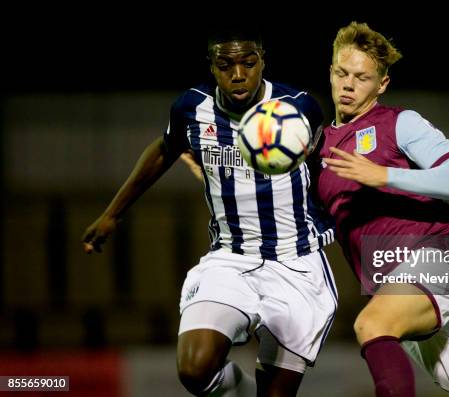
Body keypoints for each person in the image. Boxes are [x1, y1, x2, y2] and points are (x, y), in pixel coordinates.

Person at [82, 27, 337, 397]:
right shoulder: (191, 108)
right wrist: (112, 214)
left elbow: (327, 173)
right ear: (212, 67)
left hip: (296, 265)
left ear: (262, 61)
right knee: (194, 369)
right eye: (226, 64)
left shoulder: (299, 107)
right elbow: (165, 149)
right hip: (230, 260)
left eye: (249, 63)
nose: (238, 74)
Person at [317, 22, 449, 397]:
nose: (348, 85)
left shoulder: (400, 123)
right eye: (341, 73)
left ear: (381, 84)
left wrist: (383, 175)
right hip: (394, 290)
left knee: (371, 325)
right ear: (330, 71)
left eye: (362, 77)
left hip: (433, 265)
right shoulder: (320, 148)